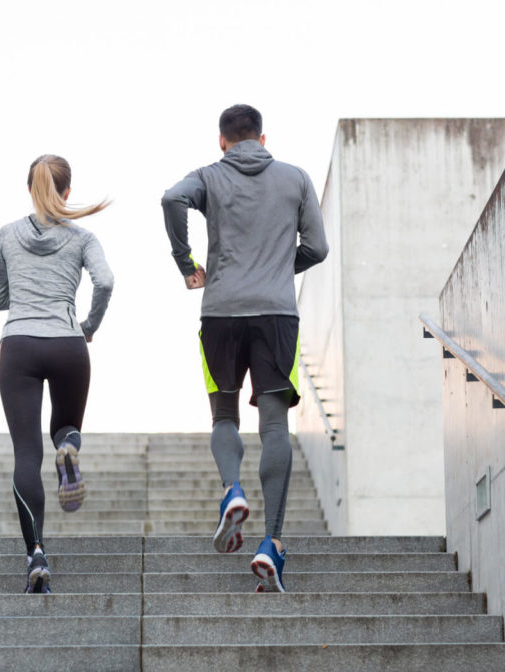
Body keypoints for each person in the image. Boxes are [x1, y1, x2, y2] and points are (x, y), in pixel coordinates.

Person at [161, 104, 328, 592]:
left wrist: (185, 261)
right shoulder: (295, 178)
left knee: (224, 417)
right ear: (262, 136)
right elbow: (317, 248)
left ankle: (231, 490)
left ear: (222, 140)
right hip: (277, 314)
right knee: (274, 424)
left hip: (220, 313)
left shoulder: (209, 176)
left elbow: (172, 198)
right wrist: (277, 267)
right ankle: (270, 543)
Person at [0, 154, 114, 594]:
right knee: (64, 427)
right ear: (67, 192)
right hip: (68, 343)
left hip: (19, 344)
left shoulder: (7, 234)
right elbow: (106, 282)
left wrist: (26, 292)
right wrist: (89, 326)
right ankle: (69, 447)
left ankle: (36, 553)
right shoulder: (83, 237)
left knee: (26, 455)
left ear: (29, 189)